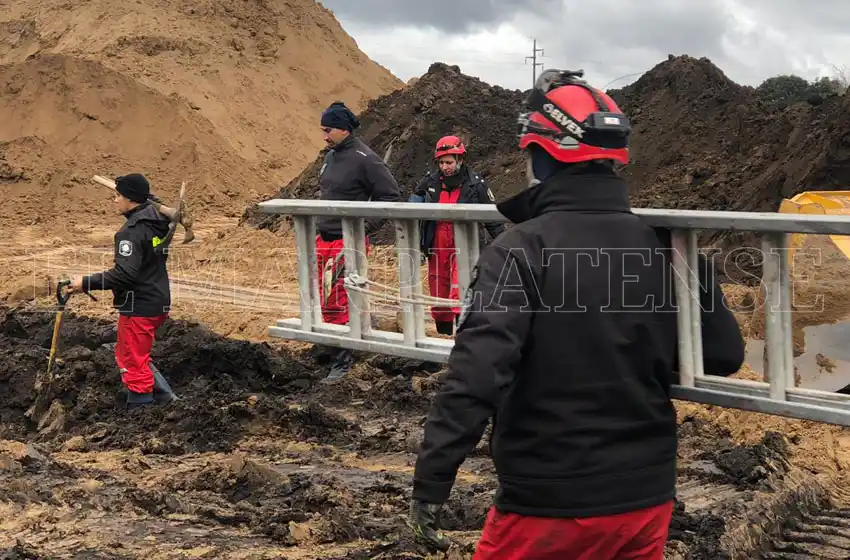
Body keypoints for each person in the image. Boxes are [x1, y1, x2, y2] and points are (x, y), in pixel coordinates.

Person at [407, 69, 746, 559]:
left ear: (543, 154)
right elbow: (724, 354)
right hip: (646, 499)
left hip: (548, 500)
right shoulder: (667, 247)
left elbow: (476, 374)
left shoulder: (520, 249)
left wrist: (432, 482)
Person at [68, 173, 178, 409]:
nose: (114, 200)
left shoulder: (130, 232)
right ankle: (167, 400)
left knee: (132, 360)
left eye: (118, 195)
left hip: (138, 304)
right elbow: (151, 201)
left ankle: (140, 413)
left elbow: (125, 274)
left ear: (130, 198)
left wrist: (85, 282)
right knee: (132, 353)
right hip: (157, 298)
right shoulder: (158, 221)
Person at [315, 101, 401, 381]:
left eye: (327, 130)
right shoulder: (331, 157)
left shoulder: (366, 159)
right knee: (323, 297)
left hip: (347, 241)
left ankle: (343, 361)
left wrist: (364, 228)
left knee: (339, 299)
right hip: (324, 238)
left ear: (343, 129)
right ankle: (336, 345)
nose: (324, 136)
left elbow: (390, 196)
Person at [409, 136, 504, 336]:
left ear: (460, 160)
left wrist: (504, 244)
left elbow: (492, 219)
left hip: (465, 244)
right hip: (437, 242)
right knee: (439, 289)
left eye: (449, 162)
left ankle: (463, 335)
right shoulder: (430, 182)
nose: (445, 167)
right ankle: (443, 334)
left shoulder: (476, 184)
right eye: (441, 163)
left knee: (460, 288)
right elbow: (412, 207)